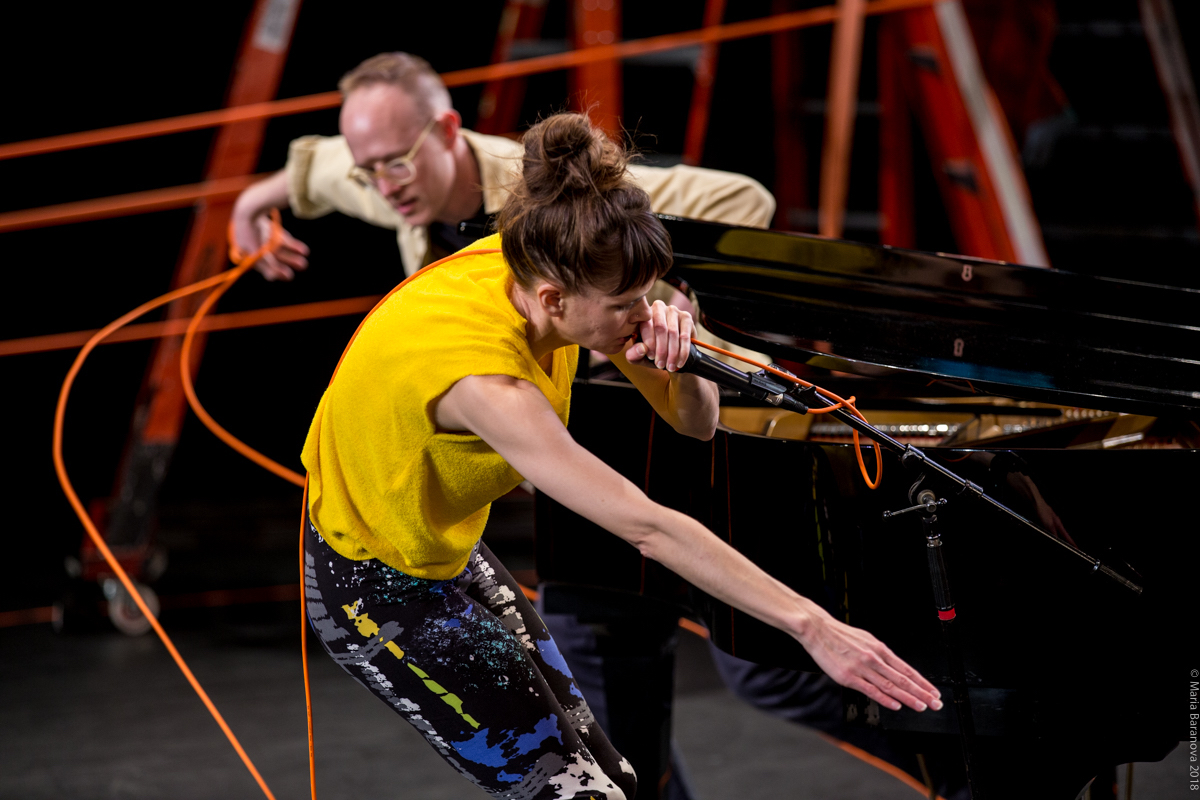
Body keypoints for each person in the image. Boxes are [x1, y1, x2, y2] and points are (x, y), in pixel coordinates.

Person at [300, 111, 942, 800]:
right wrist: (814, 626)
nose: (641, 314)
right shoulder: (488, 384)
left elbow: (695, 423)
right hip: (374, 588)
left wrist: (683, 340)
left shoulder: (553, 266)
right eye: (628, 305)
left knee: (619, 779)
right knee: (578, 794)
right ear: (553, 300)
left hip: (446, 553)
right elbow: (647, 527)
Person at [230, 51, 775, 282]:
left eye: (395, 164)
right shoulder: (377, 176)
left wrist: (655, 298)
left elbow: (743, 201)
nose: (381, 187)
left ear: (446, 130)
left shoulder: (549, 182)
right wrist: (248, 207)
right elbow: (314, 170)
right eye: (365, 169)